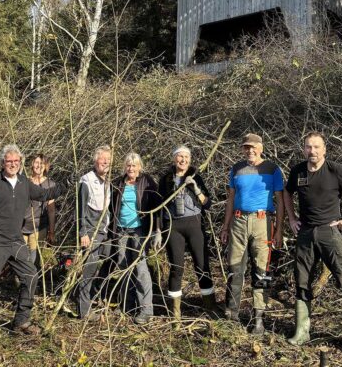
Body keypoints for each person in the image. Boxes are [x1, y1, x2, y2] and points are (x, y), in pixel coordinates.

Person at [283, 131, 342, 355]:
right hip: (305, 233)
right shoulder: (298, 171)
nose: (312, 151)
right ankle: (302, 332)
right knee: (302, 280)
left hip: (330, 234)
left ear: (324, 149)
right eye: (308, 147)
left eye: (316, 147)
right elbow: (286, 193)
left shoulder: (335, 170)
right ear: (303, 149)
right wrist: (292, 218)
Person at [0, 144, 61, 335]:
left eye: (16, 161)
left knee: (31, 276)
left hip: (16, 241)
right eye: (8, 161)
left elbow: (43, 194)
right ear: (2, 163)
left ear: (20, 163)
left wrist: (63, 187)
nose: (12, 164)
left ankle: (21, 321)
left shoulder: (23, 182)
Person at [219, 133, 284, 335]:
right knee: (234, 267)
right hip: (238, 222)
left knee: (261, 270)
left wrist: (280, 229)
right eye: (246, 147)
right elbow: (230, 198)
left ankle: (259, 319)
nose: (250, 150)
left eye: (253, 147)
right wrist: (225, 225)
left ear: (261, 148)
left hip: (262, 222)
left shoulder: (273, 169)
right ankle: (232, 314)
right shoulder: (236, 169)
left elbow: (281, 200)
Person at [156, 145, 218, 319]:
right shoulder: (166, 180)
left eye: (186, 157)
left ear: (190, 160)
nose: (183, 160)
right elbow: (160, 206)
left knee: (202, 266)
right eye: (179, 157)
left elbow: (207, 204)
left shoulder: (196, 176)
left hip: (194, 224)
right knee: (176, 268)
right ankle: (175, 313)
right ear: (174, 159)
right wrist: (159, 230)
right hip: (173, 226)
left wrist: (196, 189)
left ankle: (210, 308)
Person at [110, 152, 158, 324]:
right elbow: (111, 207)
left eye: (134, 165)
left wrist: (156, 230)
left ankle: (146, 309)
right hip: (121, 230)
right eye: (128, 165)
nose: (131, 168)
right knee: (123, 266)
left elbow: (157, 206)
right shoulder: (118, 183)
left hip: (139, 230)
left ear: (140, 167)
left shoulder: (147, 182)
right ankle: (126, 305)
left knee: (140, 267)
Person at [77, 145, 113, 320]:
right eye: (102, 158)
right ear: (95, 160)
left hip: (105, 233)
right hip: (91, 233)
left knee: (112, 259)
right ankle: (84, 311)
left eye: (108, 159)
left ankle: (96, 295)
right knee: (89, 271)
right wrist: (83, 233)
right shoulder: (87, 180)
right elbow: (80, 210)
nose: (105, 162)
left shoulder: (108, 181)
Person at [22, 154, 56, 268]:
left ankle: (32, 283)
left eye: (42, 163)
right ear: (32, 164)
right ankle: (18, 283)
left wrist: (51, 231)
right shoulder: (24, 182)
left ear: (46, 166)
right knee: (19, 258)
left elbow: (51, 209)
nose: (39, 165)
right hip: (21, 225)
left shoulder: (50, 185)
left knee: (34, 259)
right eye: (36, 162)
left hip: (38, 227)